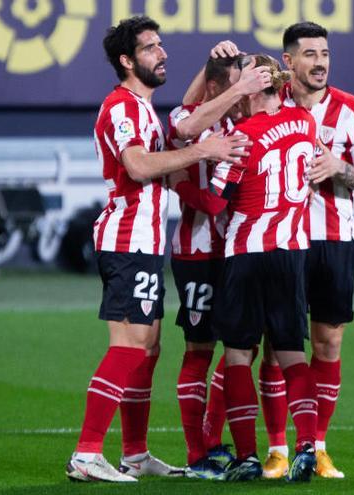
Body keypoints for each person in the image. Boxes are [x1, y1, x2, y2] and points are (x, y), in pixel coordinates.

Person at [65, 16, 249, 483]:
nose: (162, 53)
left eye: (161, 46)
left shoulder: (143, 108)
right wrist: (203, 154)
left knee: (148, 347)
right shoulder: (122, 107)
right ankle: (86, 454)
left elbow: (188, 111)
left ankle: (135, 454)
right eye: (151, 48)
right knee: (129, 346)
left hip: (145, 242)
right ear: (127, 61)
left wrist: (213, 65)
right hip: (125, 238)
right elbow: (140, 164)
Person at [256, 20, 354, 481]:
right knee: (277, 347)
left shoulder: (351, 110)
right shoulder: (267, 105)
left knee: (328, 343)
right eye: (310, 54)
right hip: (280, 241)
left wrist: (339, 167)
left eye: (325, 54)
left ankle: (319, 447)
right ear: (287, 61)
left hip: (333, 241)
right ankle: (276, 450)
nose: (321, 63)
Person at [208, 54, 320, 483]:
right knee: (292, 353)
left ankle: (248, 457)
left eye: (239, 85)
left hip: (247, 252)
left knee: (238, 354)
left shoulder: (241, 135)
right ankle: (306, 448)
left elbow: (217, 201)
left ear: (253, 88)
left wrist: (183, 175)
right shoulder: (306, 125)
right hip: (292, 252)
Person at [167, 44, 272, 479]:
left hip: (238, 252)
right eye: (238, 83)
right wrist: (180, 187)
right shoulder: (188, 122)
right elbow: (188, 123)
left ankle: (213, 437)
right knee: (199, 350)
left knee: (242, 350)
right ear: (215, 86)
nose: (245, 92)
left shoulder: (242, 126)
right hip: (197, 252)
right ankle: (198, 453)